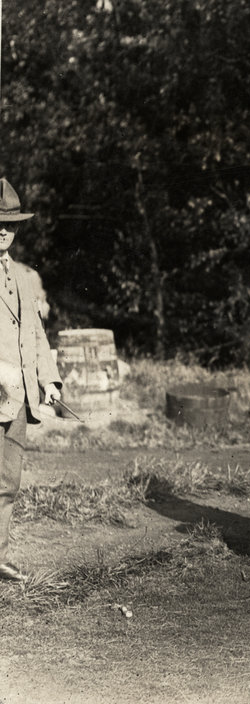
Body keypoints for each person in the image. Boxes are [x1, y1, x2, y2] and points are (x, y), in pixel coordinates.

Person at [0, 178, 62, 582]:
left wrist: (49, 380)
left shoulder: (23, 277)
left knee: (7, 481)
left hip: (17, 399)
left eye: (10, 224)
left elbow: (36, 334)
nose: (2, 231)